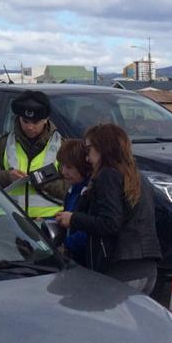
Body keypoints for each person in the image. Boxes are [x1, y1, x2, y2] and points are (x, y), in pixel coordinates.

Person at [55, 123, 161, 293]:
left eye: (89, 150)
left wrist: (73, 219)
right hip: (146, 266)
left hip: (120, 268)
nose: (87, 158)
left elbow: (110, 223)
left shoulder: (108, 175)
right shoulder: (136, 176)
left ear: (102, 148)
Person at [0, 90, 67, 220]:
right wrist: (7, 176)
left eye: (35, 122)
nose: (30, 127)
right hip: (11, 219)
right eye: (25, 121)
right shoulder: (4, 143)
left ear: (46, 119)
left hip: (49, 221)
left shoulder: (61, 145)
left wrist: (42, 181)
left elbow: (72, 189)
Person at [53, 139, 91, 267]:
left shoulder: (90, 193)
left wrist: (66, 246)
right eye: (62, 166)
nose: (63, 172)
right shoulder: (72, 190)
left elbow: (90, 231)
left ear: (82, 166)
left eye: (69, 167)